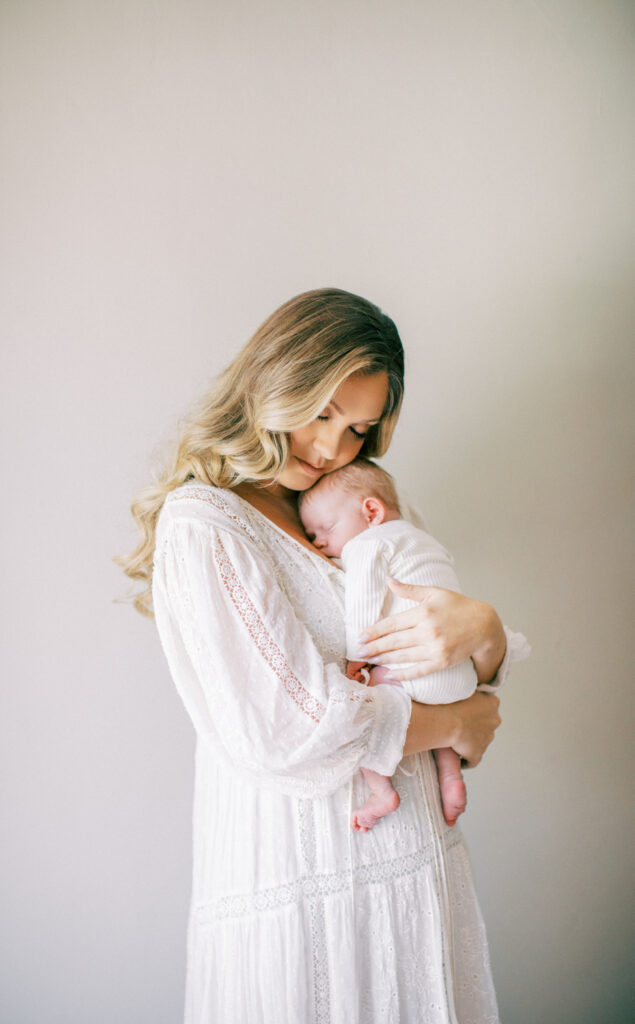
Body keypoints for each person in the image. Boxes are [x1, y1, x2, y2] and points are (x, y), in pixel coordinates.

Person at [117, 288, 529, 1023]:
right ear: (274, 385)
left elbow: (438, 636)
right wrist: (454, 726)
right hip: (305, 882)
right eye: (321, 414)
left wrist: (488, 632)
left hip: (412, 877)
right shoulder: (204, 524)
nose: (333, 448)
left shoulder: (354, 497)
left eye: (359, 428)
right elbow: (284, 731)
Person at [299, 458, 516, 834]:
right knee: (438, 710)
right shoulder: (423, 539)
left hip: (415, 673)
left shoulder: (367, 545)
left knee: (363, 705)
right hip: (460, 676)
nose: (318, 541)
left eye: (325, 529)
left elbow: (363, 606)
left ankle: (381, 792)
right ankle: (451, 779)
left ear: (371, 511)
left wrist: (358, 658)